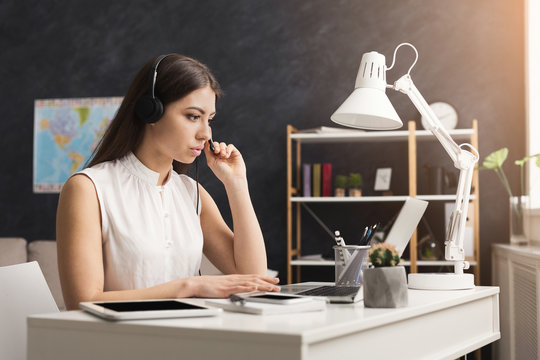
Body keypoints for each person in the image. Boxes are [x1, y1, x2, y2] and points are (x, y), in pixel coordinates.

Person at [56, 54, 280, 310]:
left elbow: (252, 276)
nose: (206, 133)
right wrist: (189, 287)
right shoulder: (88, 188)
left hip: (187, 339)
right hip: (119, 344)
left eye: (210, 120)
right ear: (151, 111)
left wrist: (236, 184)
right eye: (193, 116)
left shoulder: (189, 191)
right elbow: (81, 302)